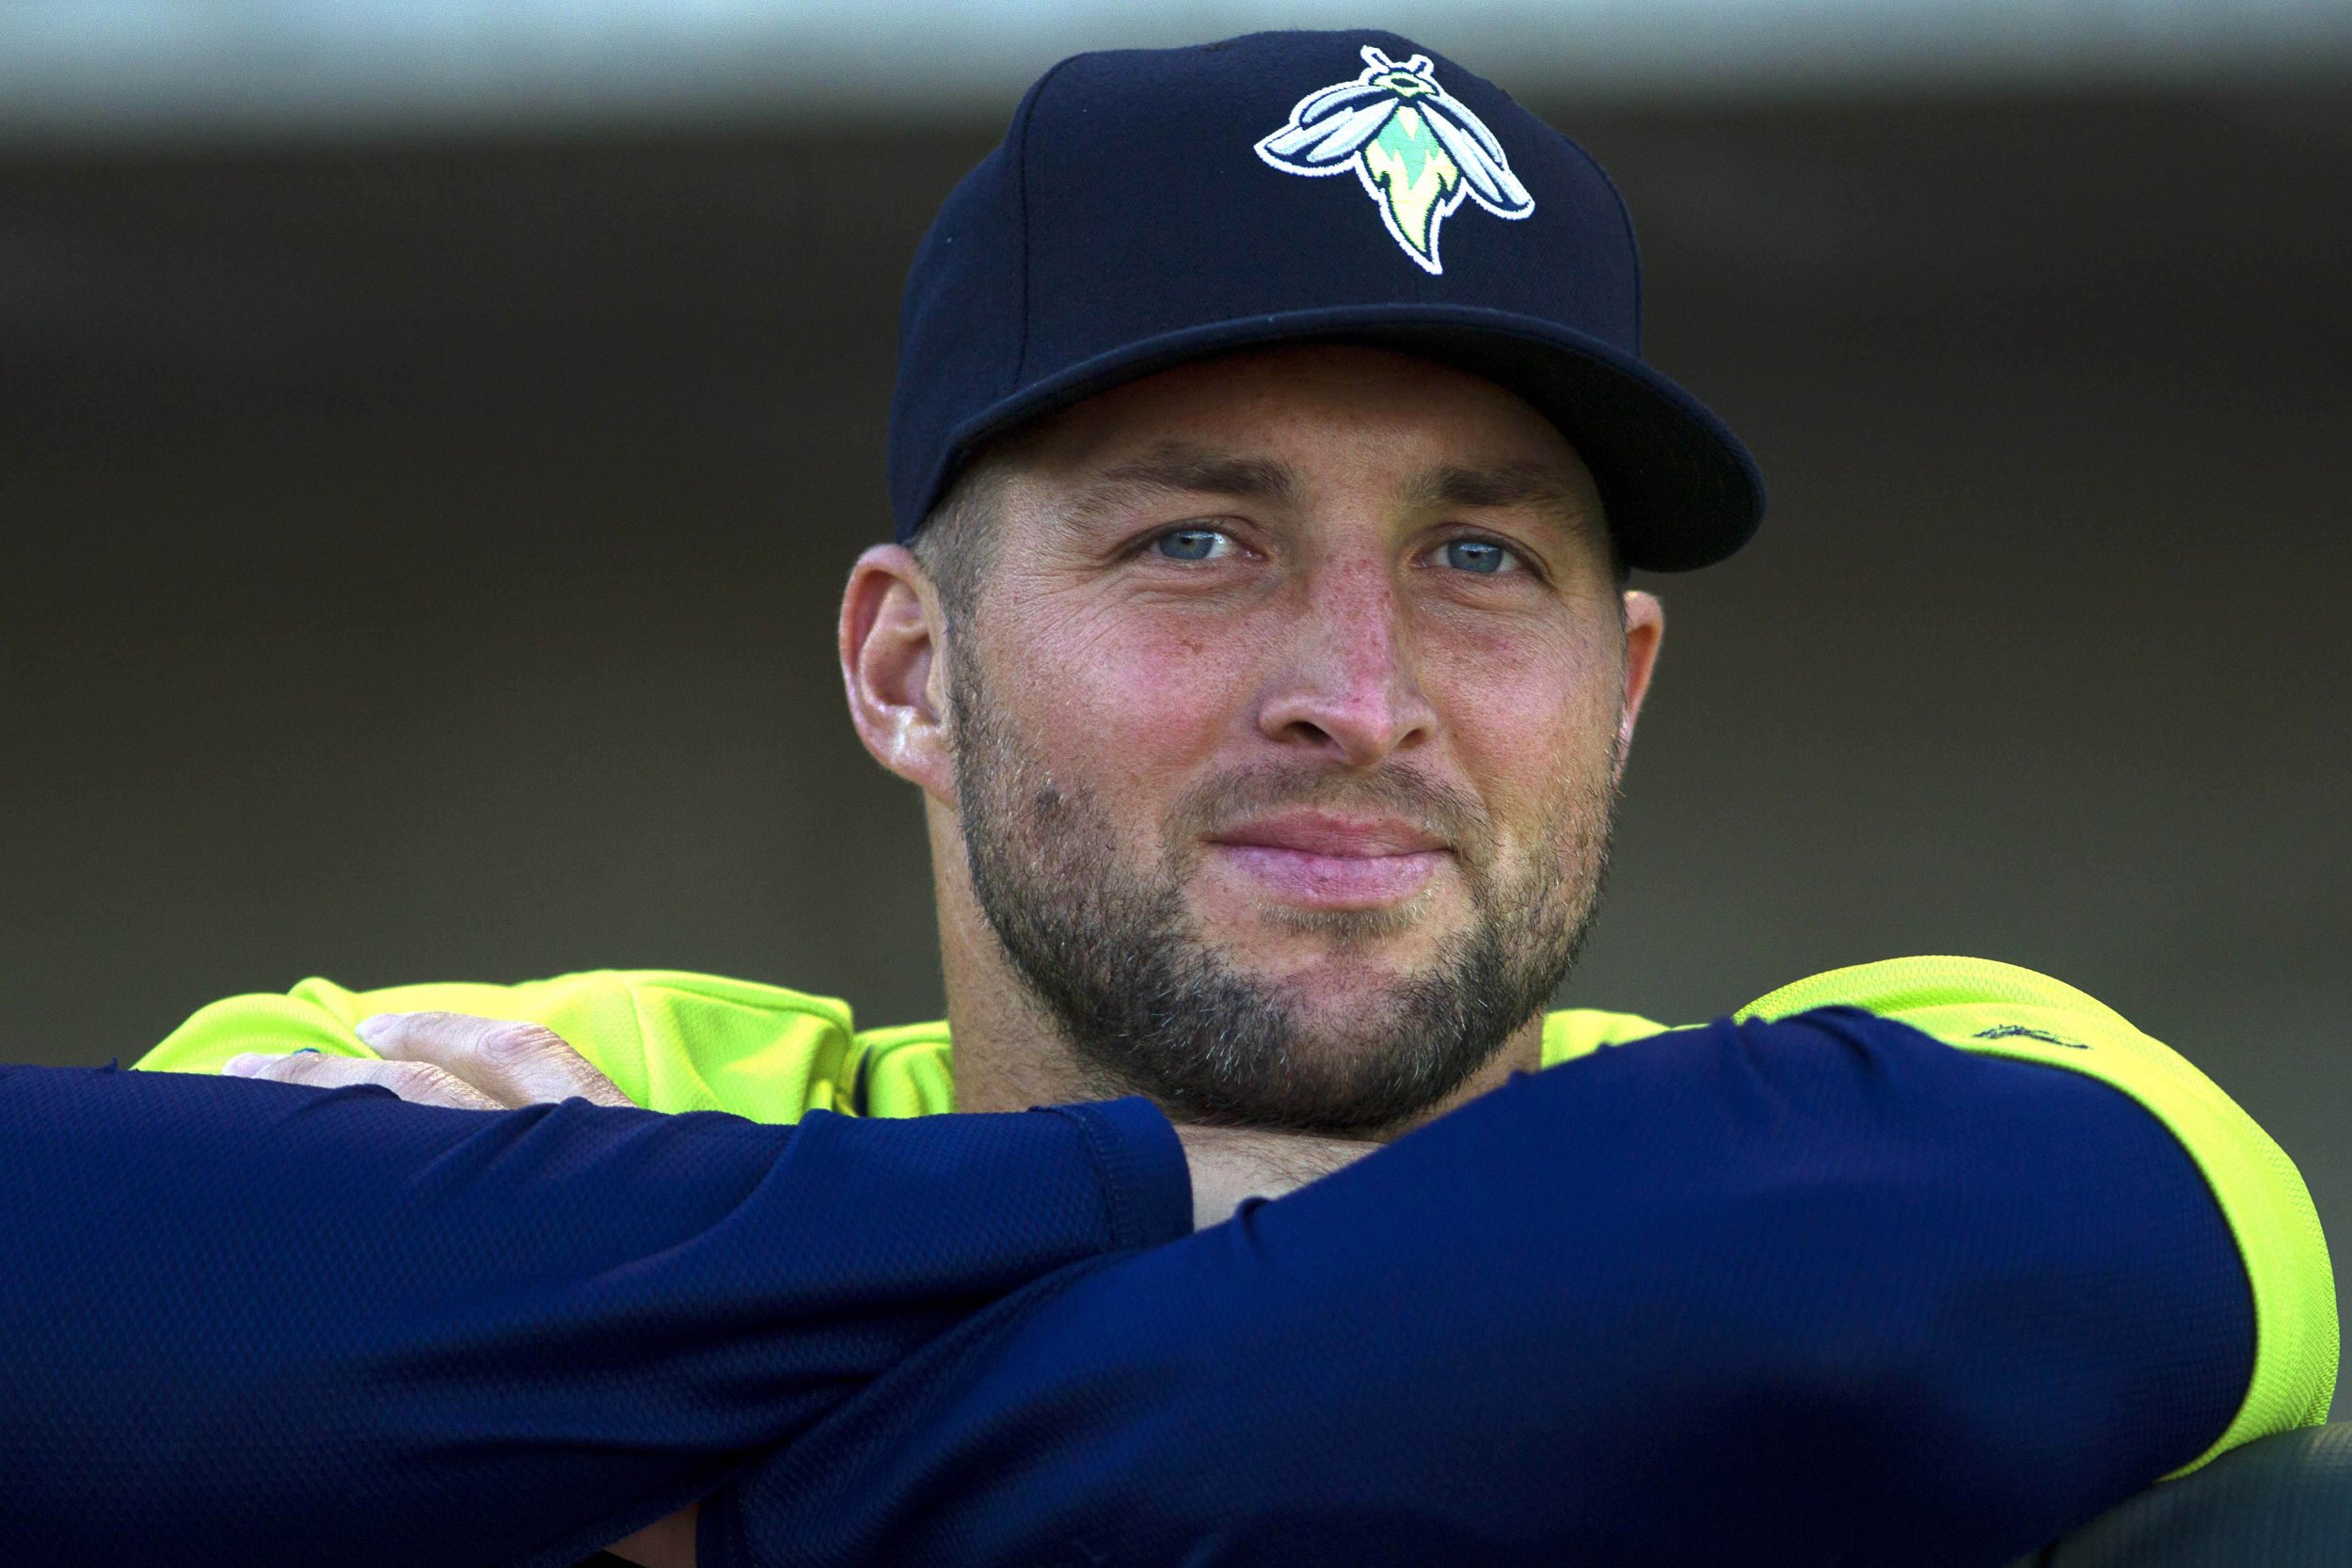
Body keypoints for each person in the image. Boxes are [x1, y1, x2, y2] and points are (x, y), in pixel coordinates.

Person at [0, 29, 2335, 1568]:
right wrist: (1216, 1217)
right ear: (906, 669)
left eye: (1478, 558)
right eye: (1193, 541)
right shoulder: (576, 1069)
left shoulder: (1940, 1072)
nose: (1359, 692)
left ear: (1617, 685)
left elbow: (2045, 1257)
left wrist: (673, 1455)